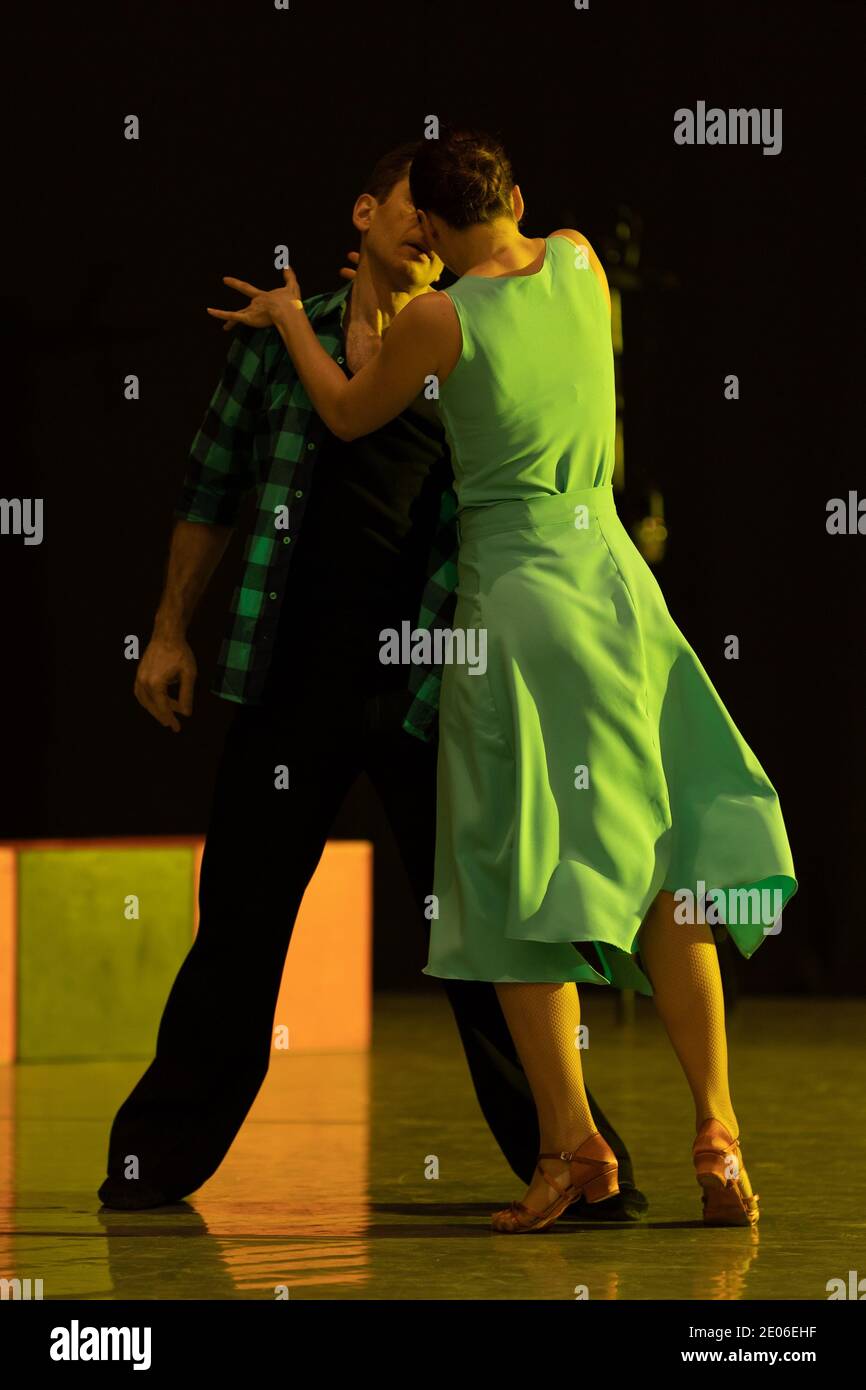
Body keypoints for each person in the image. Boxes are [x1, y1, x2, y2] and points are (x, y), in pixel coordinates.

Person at [210, 126, 798, 1234]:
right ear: (517, 195)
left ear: (423, 228)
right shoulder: (576, 258)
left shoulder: (440, 317)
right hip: (618, 592)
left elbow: (345, 410)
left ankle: (571, 1146)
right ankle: (715, 1127)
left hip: (521, 608)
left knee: (514, 878)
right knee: (672, 863)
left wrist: (295, 318)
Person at [97, 141, 645, 1219]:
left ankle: (575, 1157)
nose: (424, 230)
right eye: (410, 207)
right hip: (290, 678)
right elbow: (210, 486)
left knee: (486, 927)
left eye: (440, 217)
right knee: (240, 928)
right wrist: (168, 632)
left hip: (433, 682)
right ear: (365, 213)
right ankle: (151, 1160)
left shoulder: (471, 336)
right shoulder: (271, 350)